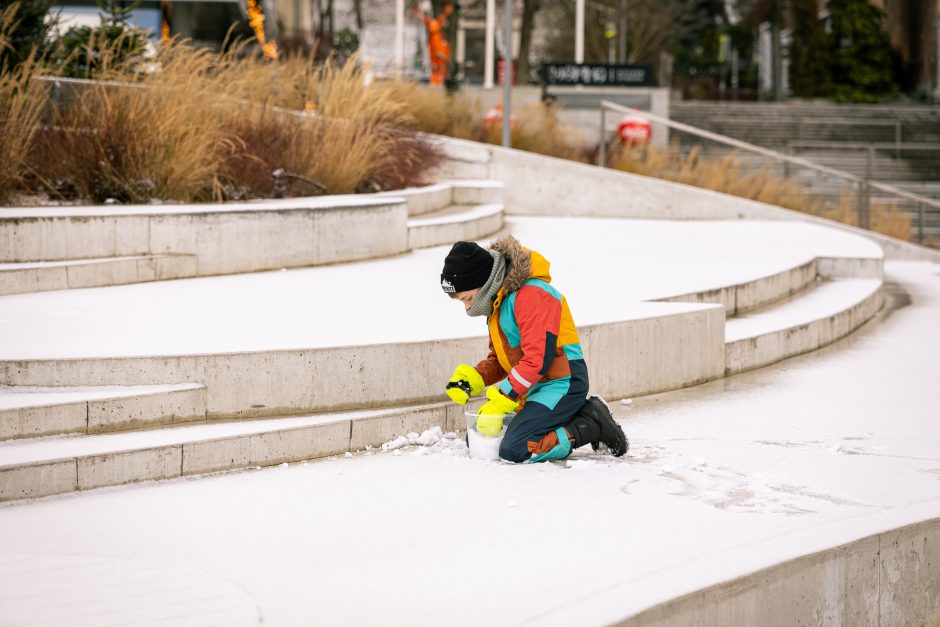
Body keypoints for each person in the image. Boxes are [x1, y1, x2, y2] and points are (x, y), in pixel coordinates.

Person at [441, 236, 628, 463]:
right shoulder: (497, 303)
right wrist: (473, 379)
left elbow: (537, 359)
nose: (469, 308)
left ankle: (588, 424)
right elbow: (504, 359)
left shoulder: (532, 294)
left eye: (468, 298)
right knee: (482, 439)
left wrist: (501, 400)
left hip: (561, 382)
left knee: (516, 449)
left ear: (485, 281)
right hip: (531, 385)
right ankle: (567, 417)